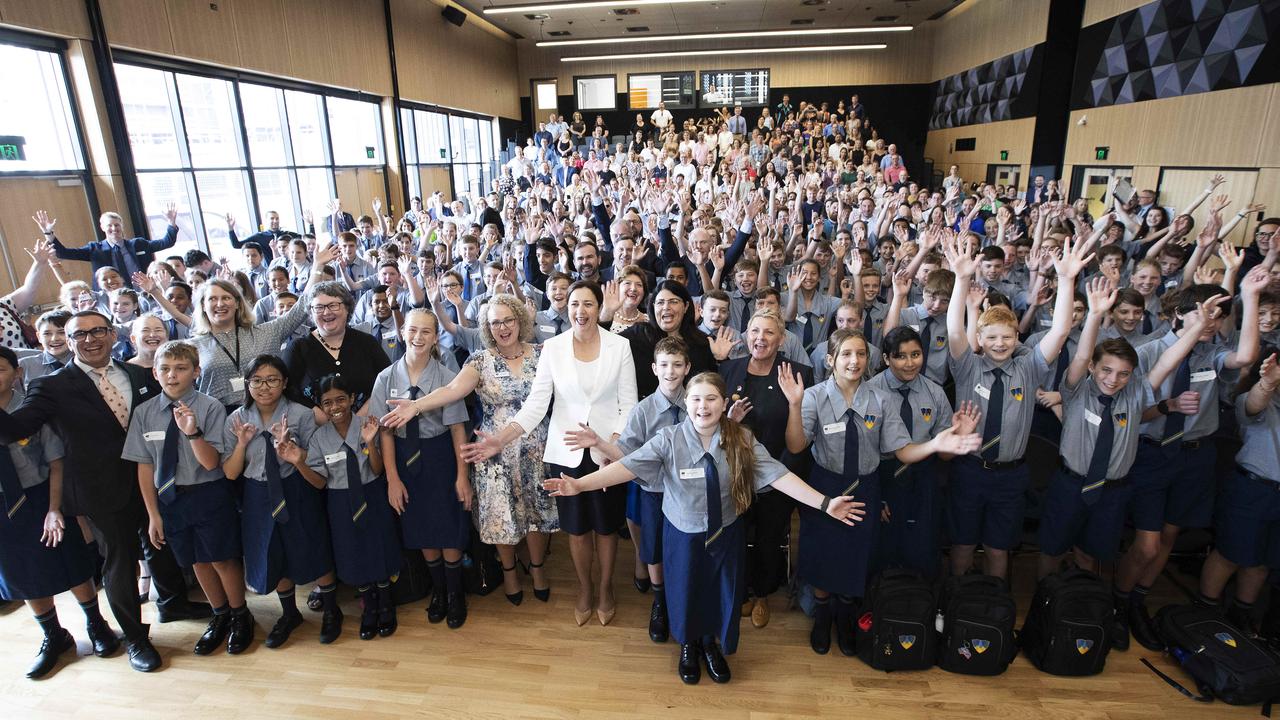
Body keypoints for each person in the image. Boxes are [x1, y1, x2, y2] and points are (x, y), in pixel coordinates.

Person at [545, 371, 865, 685]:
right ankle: (689, 644)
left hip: (725, 531)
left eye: (711, 399)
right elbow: (626, 468)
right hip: (683, 533)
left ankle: (710, 643)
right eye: (696, 399)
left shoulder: (741, 439)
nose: (703, 406)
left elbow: (778, 475)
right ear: (687, 403)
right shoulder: (668, 440)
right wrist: (580, 485)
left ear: (724, 403)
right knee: (685, 589)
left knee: (720, 590)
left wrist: (825, 503)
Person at [0, 311, 208, 673]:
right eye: (79, 334)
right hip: (99, 491)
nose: (90, 339)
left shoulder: (140, 374)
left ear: (113, 335)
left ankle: (173, 602)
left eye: (98, 331)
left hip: (153, 478)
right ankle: (137, 638)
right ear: (68, 340)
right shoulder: (51, 386)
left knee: (161, 545)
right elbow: (16, 427)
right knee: (120, 564)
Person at [780, 328, 980, 655]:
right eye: (845, 354)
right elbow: (796, 445)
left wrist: (935, 443)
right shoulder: (814, 396)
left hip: (865, 487)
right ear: (830, 359)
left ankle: (845, 616)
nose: (854, 360)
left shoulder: (880, 398)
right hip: (826, 486)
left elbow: (901, 451)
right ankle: (822, 615)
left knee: (857, 555)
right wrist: (794, 405)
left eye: (860, 354)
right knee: (821, 552)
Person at [461, 281, 636, 627]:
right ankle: (585, 589)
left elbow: (628, 404)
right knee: (577, 528)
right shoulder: (552, 348)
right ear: (566, 309)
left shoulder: (620, 346)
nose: (580, 311)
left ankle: (605, 589)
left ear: (598, 308)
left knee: (604, 528)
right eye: (574, 304)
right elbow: (536, 405)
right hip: (565, 451)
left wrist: (609, 446)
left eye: (588, 304)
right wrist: (500, 439)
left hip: (605, 453)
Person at [1116, 270, 1267, 650]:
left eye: (1217, 316)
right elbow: (1131, 411)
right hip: (1153, 453)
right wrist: (1167, 406)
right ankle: (1118, 602)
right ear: (1180, 314)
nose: (1210, 323)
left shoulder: (1210, 354)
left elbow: (1246, 356)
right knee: (1147, 544)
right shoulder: (1149, 350)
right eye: (1202, 314)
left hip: (1195, 455)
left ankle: (1138, 601)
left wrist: (1248, 295)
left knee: (1169, 535)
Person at [381, 295, 555, 605]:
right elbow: (451, 391)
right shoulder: (478, 360)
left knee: (535, 516)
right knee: (501, 518)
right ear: (487, 328)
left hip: (534, 450)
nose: (503, 328)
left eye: (508, 320)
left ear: (520, 320)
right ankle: (511, 574)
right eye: (495, 322)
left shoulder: (544, 354)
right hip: (493, 453)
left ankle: (538, 569)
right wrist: (416, 406)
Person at [942, 231, 1089, 580]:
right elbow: (953, 330)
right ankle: (956, 601)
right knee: (962, 545)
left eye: (1007, 337)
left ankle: (994, 606)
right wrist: (962, 280)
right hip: (970, 469)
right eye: (991, 337)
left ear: (1017, 338)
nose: (999, 343)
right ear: (979, 338)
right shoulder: (968, 366)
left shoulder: (1029, 366)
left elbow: (1061, 329)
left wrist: (1067, 281)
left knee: (997, 548)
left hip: (1011, 474)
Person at [124, 340, 253, 656]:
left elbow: (212, 463)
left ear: (196, 372)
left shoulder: (209, 407)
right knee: (196, 559)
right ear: (154, 373)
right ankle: (219, 614)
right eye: (165, 369)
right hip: (170, 499)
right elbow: (145, 465)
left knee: (221, 557)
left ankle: (240, 615)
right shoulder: (144, 413)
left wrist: (192, 432)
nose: (172, 375)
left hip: (208, 493)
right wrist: (153, 514)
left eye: (181, 368)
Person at [565, 336, 693, 644]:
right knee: (653, 551)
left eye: (677, 365)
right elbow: (628, 457)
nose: (671, 371)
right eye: (664, 365)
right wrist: (599, 443)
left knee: (686, 551)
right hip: (654, 492)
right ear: (653, 368)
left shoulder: (697, 402)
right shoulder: (643, 410)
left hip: (690, 496)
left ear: (688, 368)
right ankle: (660, 603)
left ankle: (684, 604)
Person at [0, 347, 118, 679]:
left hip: (40, 497)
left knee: (71, 563)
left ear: (18, 372)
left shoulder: (31, 410)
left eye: (0, 369)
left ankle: (96, 624)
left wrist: (54, 509)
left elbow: (56, 462)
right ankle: (54, 635)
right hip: (2, 507)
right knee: (21, 572)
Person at [223, 355, 339, 647]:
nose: (264, 387)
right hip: (257, 493)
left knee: (311, 543)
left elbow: (315, 464)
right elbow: (231, 472)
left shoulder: (301, 415)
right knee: (272, 549)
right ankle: (289, 613)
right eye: (257, 380)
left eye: (272, 380)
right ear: (247, 384)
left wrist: (293, 452)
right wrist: (241, 444)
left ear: (285, 382)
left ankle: (331, 609)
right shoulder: (236, 419)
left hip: (296, 488)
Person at [368, 309, 473, 629]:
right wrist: (392, 479)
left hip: (440, 455)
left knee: (448, 524)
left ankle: (455, 593)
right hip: (404, 459)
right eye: (412, 330)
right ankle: (438, 590)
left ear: (435, 337)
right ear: (402, 333)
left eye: (426, 332)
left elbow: (457, 429)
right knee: (422, 526)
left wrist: (462, 476)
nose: (418, 337)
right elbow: (384, 432)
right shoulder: (386, 378)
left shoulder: (445, 377)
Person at [285, 374, 399, 640]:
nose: (335, 407)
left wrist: (370, 442)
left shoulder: (367, 424)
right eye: (327, 402)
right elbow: (319, 482)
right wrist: (297, 462)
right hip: (339, 501)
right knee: (352, 551)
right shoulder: (318, 438)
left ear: (351, 399)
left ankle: (385, 603)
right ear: (321, 406)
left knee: (378, 546)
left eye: (340, 399)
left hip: (371, 494)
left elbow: (377, 469)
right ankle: (368, 608)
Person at [719, 310, 814, 629]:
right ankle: (741, 590)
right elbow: (709, 423)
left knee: (770, 537)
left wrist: (794, 404)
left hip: (780, 472)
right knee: (737, 532)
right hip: (735, 472)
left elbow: (799, 438)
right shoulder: (728, 369)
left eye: (769, 333)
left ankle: (762, 594)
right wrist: (727, 422)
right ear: (745, 335)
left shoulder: (798, 373)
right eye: (755, 331)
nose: (761, 338)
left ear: (782, 339)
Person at [867, 326, 977, 579]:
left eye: (915, 354)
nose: (909, 363)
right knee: (883, 550)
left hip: (923, 478)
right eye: (900, 356)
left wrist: (959, 436)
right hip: (884, 476)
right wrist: (877, 495)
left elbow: (944, 455)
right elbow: (865, 451)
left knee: (923, 549)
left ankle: (922, 608)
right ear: (886, 359)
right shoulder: (871, 391)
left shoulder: (935, 392)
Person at [283, 281, 391, 413]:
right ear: (311, 312)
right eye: (319, 307)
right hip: (315, 428)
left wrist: (362, 416)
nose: (326, 312)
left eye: (333, 305)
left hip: (367, 424)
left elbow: (387, 380)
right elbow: (288, 389)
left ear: (347, 309)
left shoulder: (367, 342)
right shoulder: (298, 348)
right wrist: (318, 415)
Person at [39, 207, 178, 290]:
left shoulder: (138, 244)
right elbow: (64, 253)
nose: (114, 229)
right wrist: (48, 234)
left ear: (121, 226)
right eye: (110, 225)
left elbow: (166, 242)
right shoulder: (95, 249)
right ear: (103, 228)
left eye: (117, 225)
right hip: (111, 297)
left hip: (143, 291)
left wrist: (171, 223)